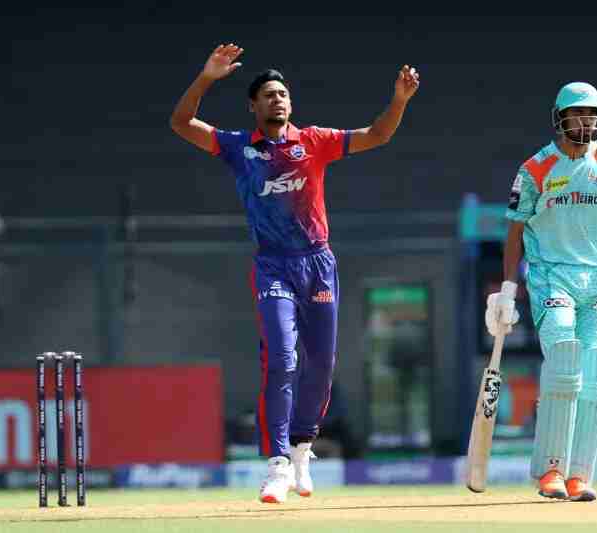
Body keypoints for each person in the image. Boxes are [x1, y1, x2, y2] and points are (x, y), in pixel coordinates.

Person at [170, 43, 419, 503]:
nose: (277, 100)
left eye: (282, 93)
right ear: (253, 106)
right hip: (273, 266)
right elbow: (181, 124)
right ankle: (278, 463)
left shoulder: (315, 140)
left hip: (318, 264)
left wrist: (399, 100)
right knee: (282, 358)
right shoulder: (239, 147)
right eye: (268, 95)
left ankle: (303, 448)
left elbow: (378, 134)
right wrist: (206, 78)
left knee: (320, 364)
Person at [485, 82, 597, 502]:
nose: (586, 122)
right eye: (578, 114)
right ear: (560, 119)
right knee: (564, 362)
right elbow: (515, 230)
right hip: (551, 275)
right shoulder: (536, 169)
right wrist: (507, 289)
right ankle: (550, 470)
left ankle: (579, 475)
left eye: (593, 115)